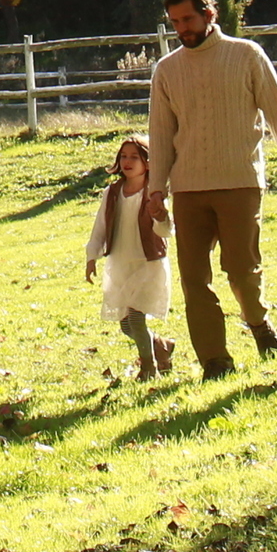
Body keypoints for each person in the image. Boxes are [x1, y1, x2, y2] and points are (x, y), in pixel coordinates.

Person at [142, 0, 277, 378]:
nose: (182, 29)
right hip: (189, 188)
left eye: (188, 19)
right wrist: (157, 190)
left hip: (240, 181)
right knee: (194, 280)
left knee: (241, 271)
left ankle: (258, 323)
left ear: (210, 13)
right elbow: (160, 133)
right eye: (174, 22)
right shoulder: (167, 70)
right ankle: (215, 359)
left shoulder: (246, 56)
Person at [82, 134, 174, 380]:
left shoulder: (154, 193)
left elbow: (165, 230)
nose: (127, 161)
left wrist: (162, 216)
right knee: (126, 325)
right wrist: (92, 256)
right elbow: (100, 226)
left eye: (135, 157)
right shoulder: (112, 193)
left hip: (148, 263)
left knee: (136, 317)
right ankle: (161, 345)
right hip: (121, 262)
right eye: (123, 156)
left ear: (148, 162)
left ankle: (148, 367)